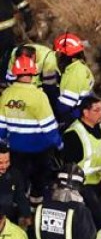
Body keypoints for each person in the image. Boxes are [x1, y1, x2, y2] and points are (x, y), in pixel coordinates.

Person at [0, 52, 61, 203]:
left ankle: (21, 212)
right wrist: (60, 144)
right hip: (40, 150)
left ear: (15, 73)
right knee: (39, 185)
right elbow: (49, 128)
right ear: (34, 73)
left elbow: (1, 127)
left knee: (19, 183)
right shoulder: (39, 96)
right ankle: (35, 210)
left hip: (16, 151)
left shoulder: (6, 95)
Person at [61, 95, 101, 228]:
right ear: (85, 112)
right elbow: (69, 164)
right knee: (97, 219)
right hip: (81, 187)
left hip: (99, 183)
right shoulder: (73, 134)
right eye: (97, 110)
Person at [53, 32, 95, 122]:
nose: (58, 57)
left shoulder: (74, 72)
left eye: (60, 54)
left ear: (67, 55)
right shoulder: (79, 67)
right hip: (80, 114)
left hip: (73, 118)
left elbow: (65, 105)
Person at [0, 144, 29, 226]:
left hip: (10, 221)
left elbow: (21, 197)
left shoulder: (15, 175)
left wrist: (26, 215)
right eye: (0, 163)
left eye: (7, 162)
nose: (4, 166)